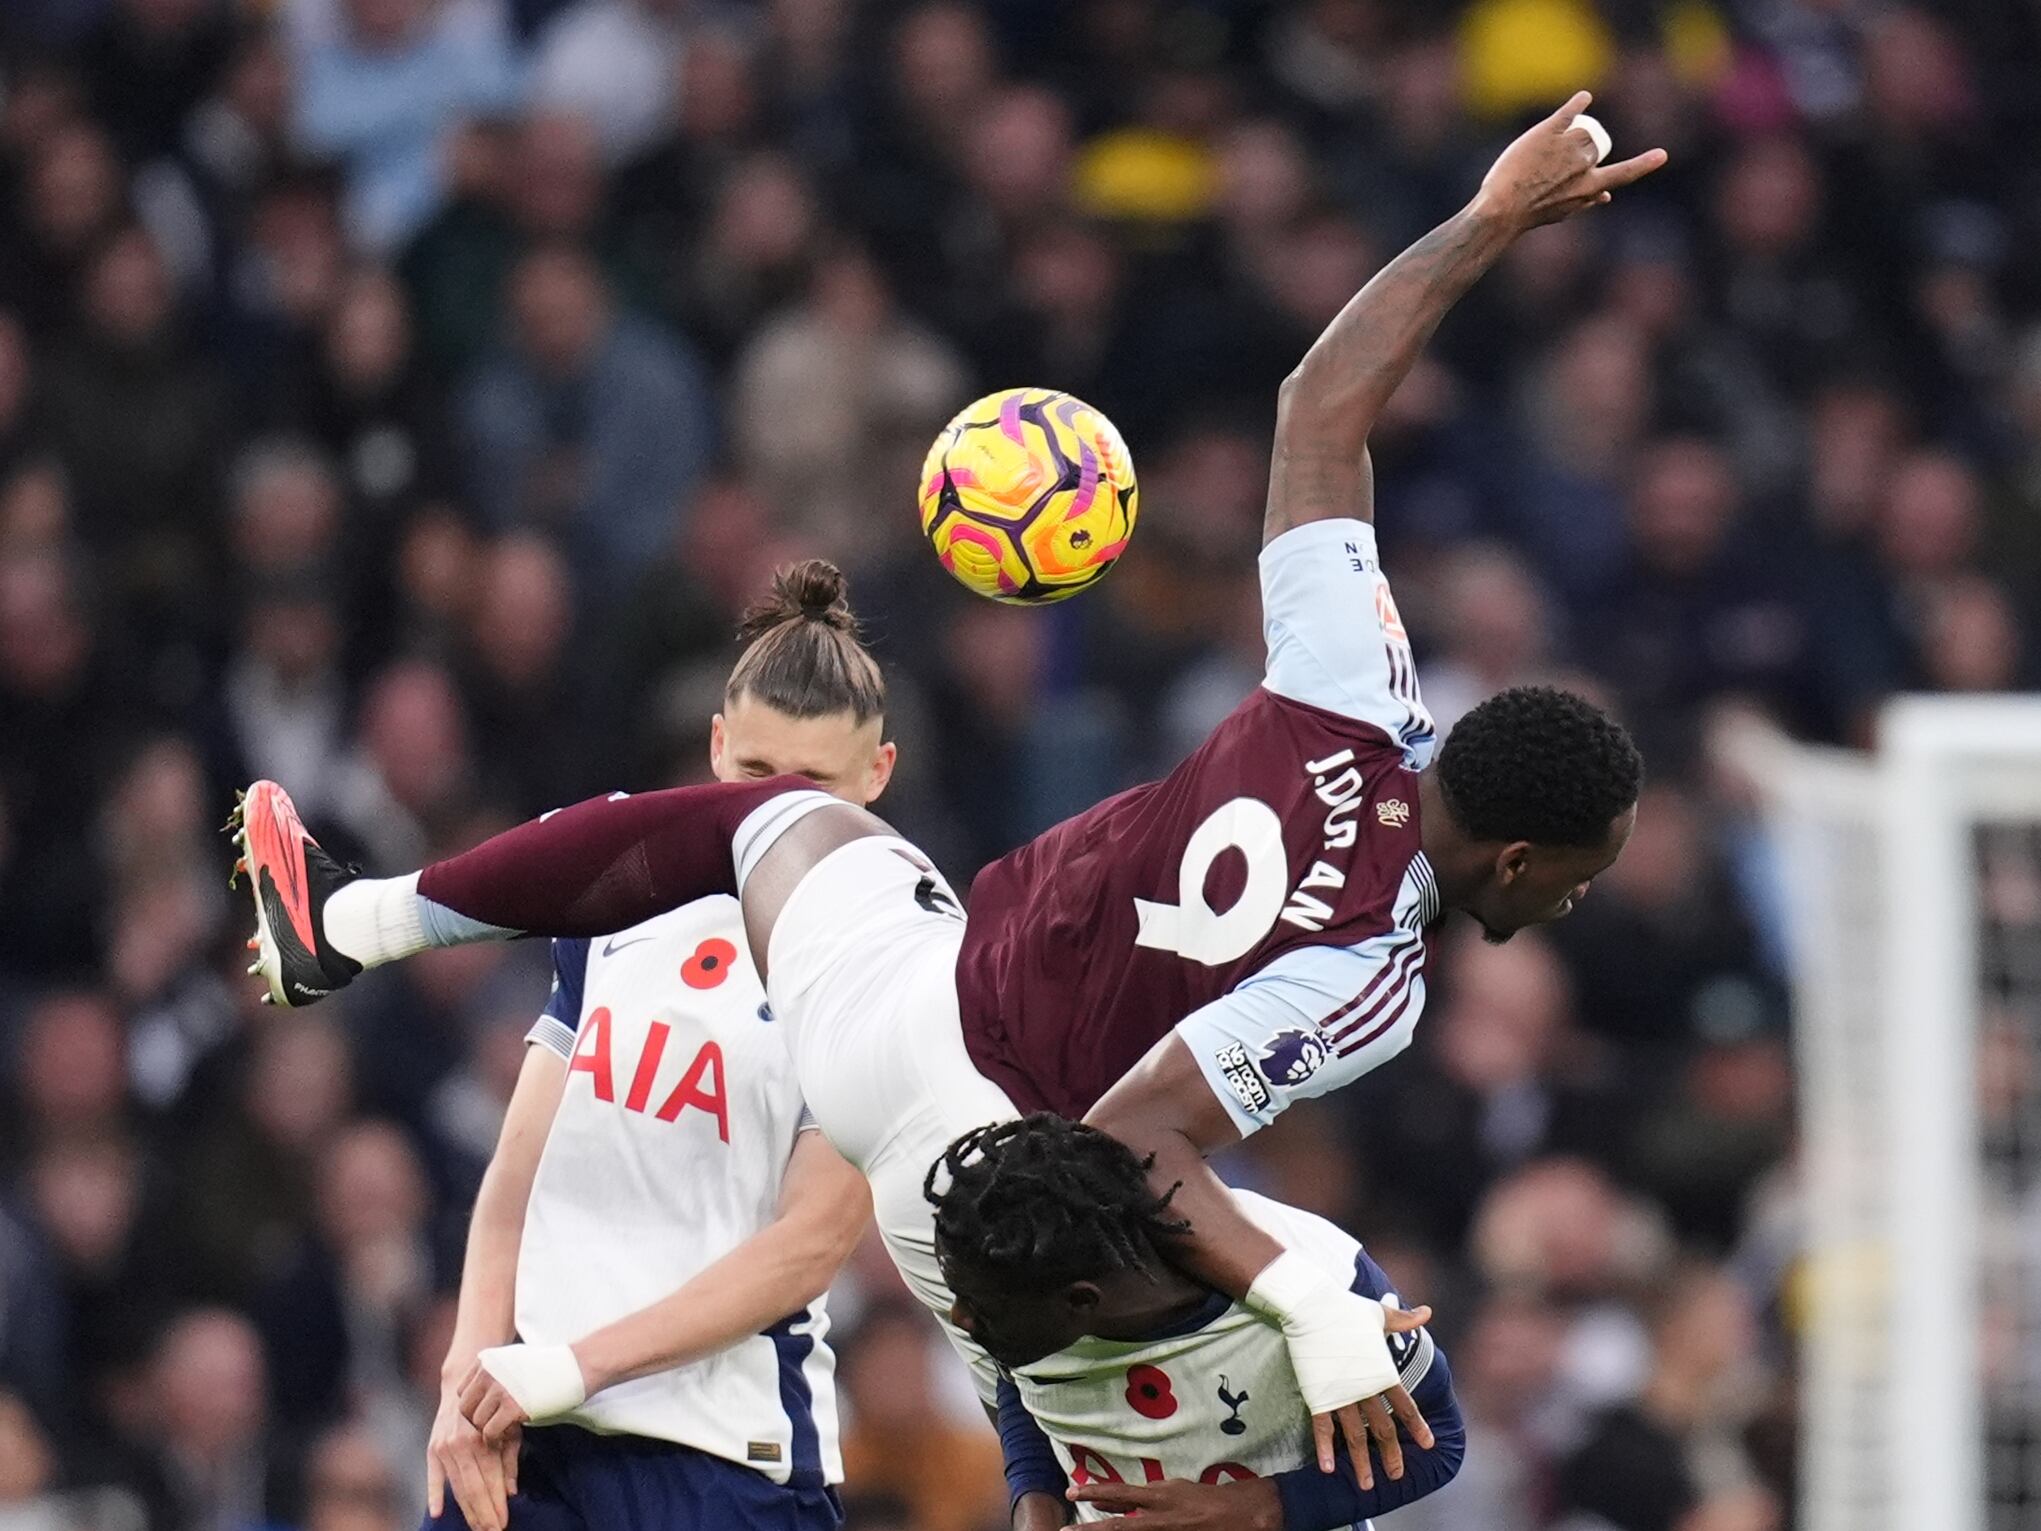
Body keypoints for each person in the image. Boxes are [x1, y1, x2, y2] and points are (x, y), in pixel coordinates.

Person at [230, 93, 1660, 1478]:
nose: (1583, 892)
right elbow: (1136, 1138)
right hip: (975, 1171)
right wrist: (1313, 1307)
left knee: (770, 817)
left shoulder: (1356, 690)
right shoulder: (1371, 973)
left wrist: (1483, 219)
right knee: (1360, 1363)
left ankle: (355, 925)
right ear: (1521, 853)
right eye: (1583, 868)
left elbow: (1318, 408)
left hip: (893, 1007)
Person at [419, 561, 886, 1531]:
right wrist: (469, 1361)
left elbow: (805, 1247)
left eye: (816, 785)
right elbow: (517, 1175)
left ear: (877, 774)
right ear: (716, 750)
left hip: (722, 1463)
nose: (776, 813)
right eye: (755, 775)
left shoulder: (889, 969)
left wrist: (578, 1365)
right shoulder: (615, 895)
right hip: (532, 1438)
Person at [927, 1115, 1466, 1531]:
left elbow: (1436, 1442)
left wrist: (1256, 1509)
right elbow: (1026, 1390)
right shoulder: (1028, 1310)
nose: (961, 1317)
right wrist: (1035, 1505)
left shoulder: (1318, 1279)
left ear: (1081, 1300)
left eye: (981, 1305)